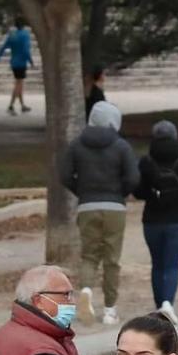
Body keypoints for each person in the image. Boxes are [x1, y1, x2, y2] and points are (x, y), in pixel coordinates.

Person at [60, 99, 139, 326]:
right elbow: (133, 178)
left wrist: (82, 192)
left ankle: (85, 290)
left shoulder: (76, 145)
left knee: (89, 256)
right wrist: (119, 193)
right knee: (112, 259)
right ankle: (110, 310)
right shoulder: (121, 146)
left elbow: (65, 175)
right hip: (114, 207)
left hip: (87, 206)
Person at [136, 120, 178, 320]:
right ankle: (168, 302)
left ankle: (159, 303)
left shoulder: (145, 162)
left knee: (157, 263)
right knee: (172, 263)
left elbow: (139, 191)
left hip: (152, 219)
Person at [0, 17, 35, 114]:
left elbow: (3, 48)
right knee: (18, 84)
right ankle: (11, 106)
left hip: (14, 63)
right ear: (24, 25)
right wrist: (31, 61)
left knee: (19, 83)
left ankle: (22, 105)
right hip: (21, 63)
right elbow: (26, 51)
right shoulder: (25, 35)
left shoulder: (12, 35)